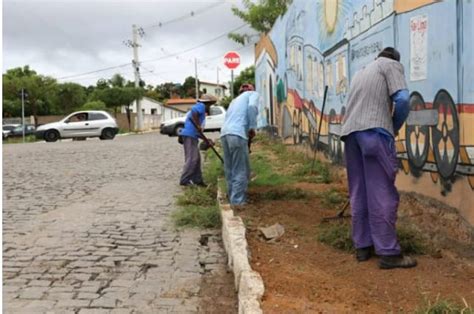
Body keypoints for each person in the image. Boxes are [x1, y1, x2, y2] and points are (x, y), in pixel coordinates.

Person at [340, 47, 416, 269]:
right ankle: (389, 252)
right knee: (381, 191)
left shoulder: (361, 71)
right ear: (395, 58)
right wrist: (393, 127)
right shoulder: (391, 65)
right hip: (374, 133)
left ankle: (363, 246)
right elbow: (402, 100)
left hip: (351, 134)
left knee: (359, 191)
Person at [220, 83, 259, 206]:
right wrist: (252, 127)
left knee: (230, 168)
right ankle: (238, 201)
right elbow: (252, 107)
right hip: (237, 134)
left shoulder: (234, 101)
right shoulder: (253, 94)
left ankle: (232, 197)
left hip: (225, 134)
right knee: (241, 169)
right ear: (251, 90)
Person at [179, 94, 217, 187]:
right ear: (207, 103)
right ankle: (184, 180)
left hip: (192, 136)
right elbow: (194, 112)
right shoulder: (201, 106)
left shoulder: (202, 112)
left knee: (197, 159)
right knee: (192, 158)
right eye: (211, 104)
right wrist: (198, 125)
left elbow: (198, 131)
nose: (210, 106)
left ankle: (197, 180)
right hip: (189, 135)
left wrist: (206, 140)